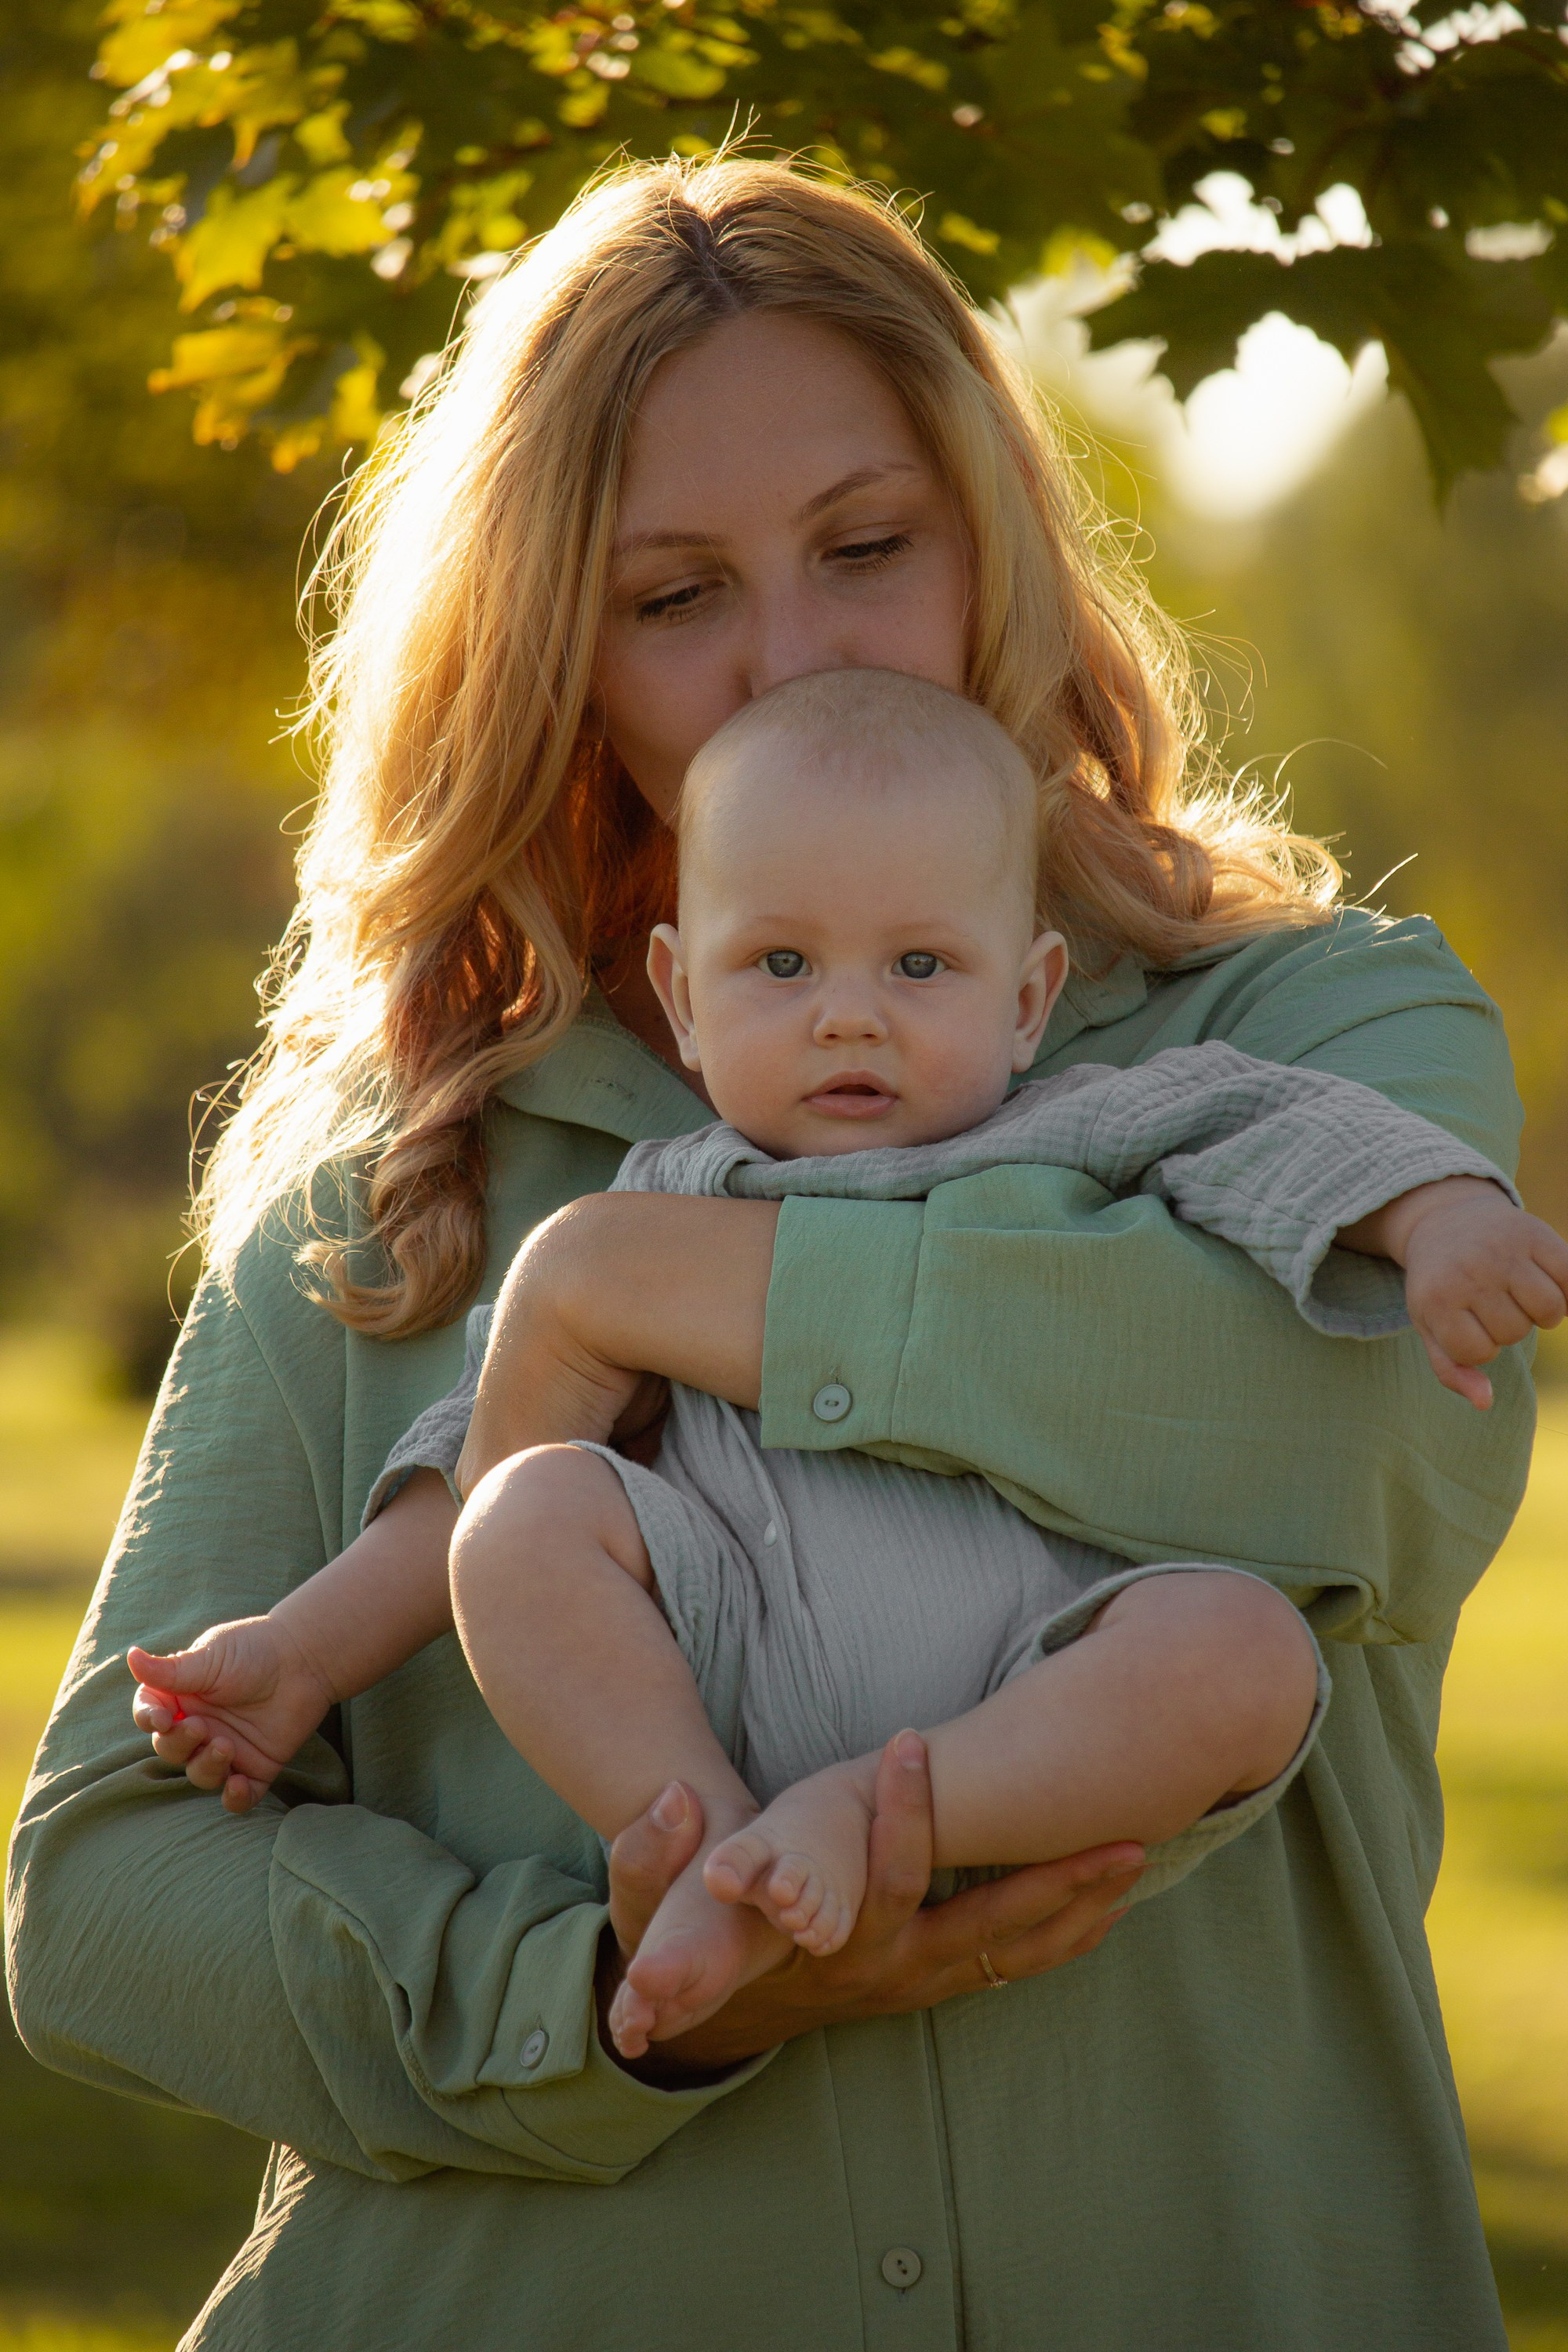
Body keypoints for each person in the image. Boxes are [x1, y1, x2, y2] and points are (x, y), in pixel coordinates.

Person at [5, 157, 1539, 2350]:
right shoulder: (392, 1169)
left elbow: (1354, 1450)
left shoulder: (1311, 1029)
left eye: (866, 548)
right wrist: (623, 2008)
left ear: (990, 547)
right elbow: (107, 1902)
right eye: (670, 594)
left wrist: (651, 1295)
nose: (787, 658)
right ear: (554, 635)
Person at [125, 666, 1564, 2070]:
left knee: (1246, 1658)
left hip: (1037, 1662)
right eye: (784, 964)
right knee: (525, 1517)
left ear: (1027, 994)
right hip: (732, 1631)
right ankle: (699, 1834)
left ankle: (881, 1815)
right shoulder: (669, 1199)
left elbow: (1289, 1131)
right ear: (686, 998)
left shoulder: (1091, 1120)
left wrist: (1441, 1221)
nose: (850, 1014)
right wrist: (303, 1652)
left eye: (921, 965)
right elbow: (477, 1455)